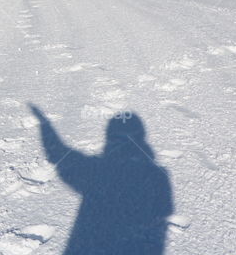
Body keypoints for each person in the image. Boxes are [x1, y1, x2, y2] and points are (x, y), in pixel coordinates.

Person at [30, 106, 173, 255]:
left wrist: (45, 125)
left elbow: (60, 155)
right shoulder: (158, 176)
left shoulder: (96, 169)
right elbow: (163, 212)